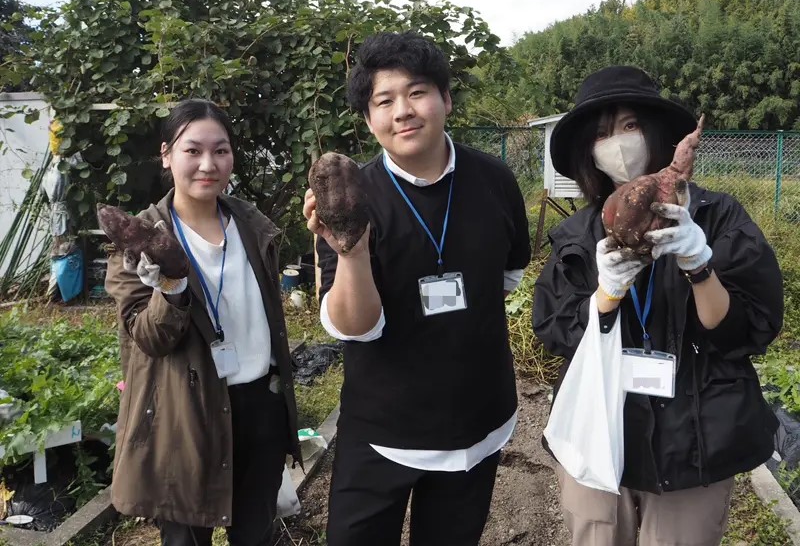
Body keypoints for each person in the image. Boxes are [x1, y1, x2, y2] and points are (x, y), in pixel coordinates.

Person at [532, 65, 783, 546]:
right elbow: (555, 327)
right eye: (603, 134)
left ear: (659, 133)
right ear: (589, 150)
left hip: (696, 434)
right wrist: (603, 299)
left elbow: (744, 329)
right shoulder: (579, 234)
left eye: (629, 126)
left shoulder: (716, 217)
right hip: (598, 422)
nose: (618, 144)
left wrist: (699, 263)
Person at [302, 31, 531, 546]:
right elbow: (355, 327)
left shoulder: (494, 180)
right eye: (384, 101)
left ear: (446, 100)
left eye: (417, 92)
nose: (403, 110)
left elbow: (510, 272)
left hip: (478, 420)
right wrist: (351, 251)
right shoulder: (347, 200)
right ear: (368, 118)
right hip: (381, 429)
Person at [105, 99, 301, 546]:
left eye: (221, 150)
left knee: (256, 534)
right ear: (166, 155)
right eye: (192, 151)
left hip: (259, 406)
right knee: (187, 539)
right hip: (184, 413)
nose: (208, 165)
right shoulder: (139, 242)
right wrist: (171, 288)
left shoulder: (252, 227)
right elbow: (149, 339)